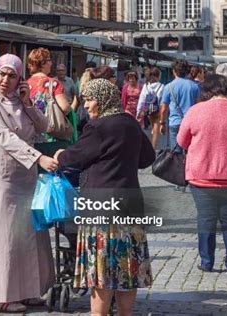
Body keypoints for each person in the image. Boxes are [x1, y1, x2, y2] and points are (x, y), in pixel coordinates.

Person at [54, 78, 155, 316]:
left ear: (101, 99)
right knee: (127, 268)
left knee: (102, 271)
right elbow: (147, 157)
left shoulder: (98, 127)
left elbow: (74, 158)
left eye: (89, 99)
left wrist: (60, 154)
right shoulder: (130, 123)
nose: (86, 105)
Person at [0, 54, 56, 313]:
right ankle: (0, 294)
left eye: (12, 75)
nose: (6, 80)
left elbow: (45, 126)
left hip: (26, 177)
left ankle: (29, 289)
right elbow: (3, 137)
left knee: (29, 235)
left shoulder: (20, 100)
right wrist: (38, 157)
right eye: (2, 74)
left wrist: (28, 102)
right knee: (3, 236)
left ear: (20, 78)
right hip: (2, 178)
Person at [177, 74, 227, 273]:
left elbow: (181, 141)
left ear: (206, 91)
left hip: (201, 175)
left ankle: (206, 262)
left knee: (205, 219)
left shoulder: (195, 111)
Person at [27, 48, 73, 156]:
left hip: (32, 137)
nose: (51, 63)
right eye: (49, 60)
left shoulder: (26, 84)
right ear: (42, 63)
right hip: (52, 137)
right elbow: (65, 108)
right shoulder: (53, 83)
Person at [159, 60, 200, 151]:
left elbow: (164, 108)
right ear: (186, 72)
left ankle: (178, 164)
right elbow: (198, 106)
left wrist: (162, 123)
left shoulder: (168, 87)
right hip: (190, 123)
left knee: (176, 153)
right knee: (189, 150)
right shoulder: (194, 86)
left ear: (174, 71)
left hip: (175, 122)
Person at [137, 67, 164, 150]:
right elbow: (162, 100)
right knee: (156, 131)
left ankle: (150, 145)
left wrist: (139, 111)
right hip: (157, 110)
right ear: (158, 76)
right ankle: (153, 149)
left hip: (148, 110)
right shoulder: (161, 86)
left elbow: (142, 99)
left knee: (153, 129)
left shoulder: (146, 86)